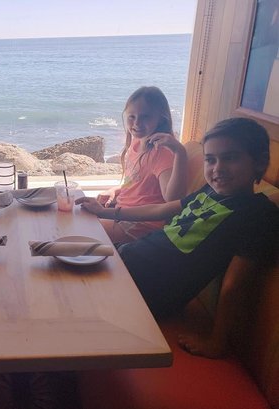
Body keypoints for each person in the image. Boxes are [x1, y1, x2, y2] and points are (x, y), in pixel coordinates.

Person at [76, 117, 279, 359]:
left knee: (63, 295)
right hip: (126, 260)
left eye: (231, 158)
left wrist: (217, 342)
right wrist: (105, 212)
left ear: (260, 162)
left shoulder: (258, 213)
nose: (218, 168)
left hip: (146, 289)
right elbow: (161, 209)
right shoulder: (211, 191)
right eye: (210, 159)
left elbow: (233, 286)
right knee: (54, 261)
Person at [98, 86, 188, 243]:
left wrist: (180, 152)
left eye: (145, 117)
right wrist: (115, 191)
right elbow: (138, 183)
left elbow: (172, 199)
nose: (137, 123)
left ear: (161, 119)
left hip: (140, 225)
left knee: (81, 228)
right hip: (123, 213)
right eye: (132, 117)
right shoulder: (137, 143)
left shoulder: (162, 152)